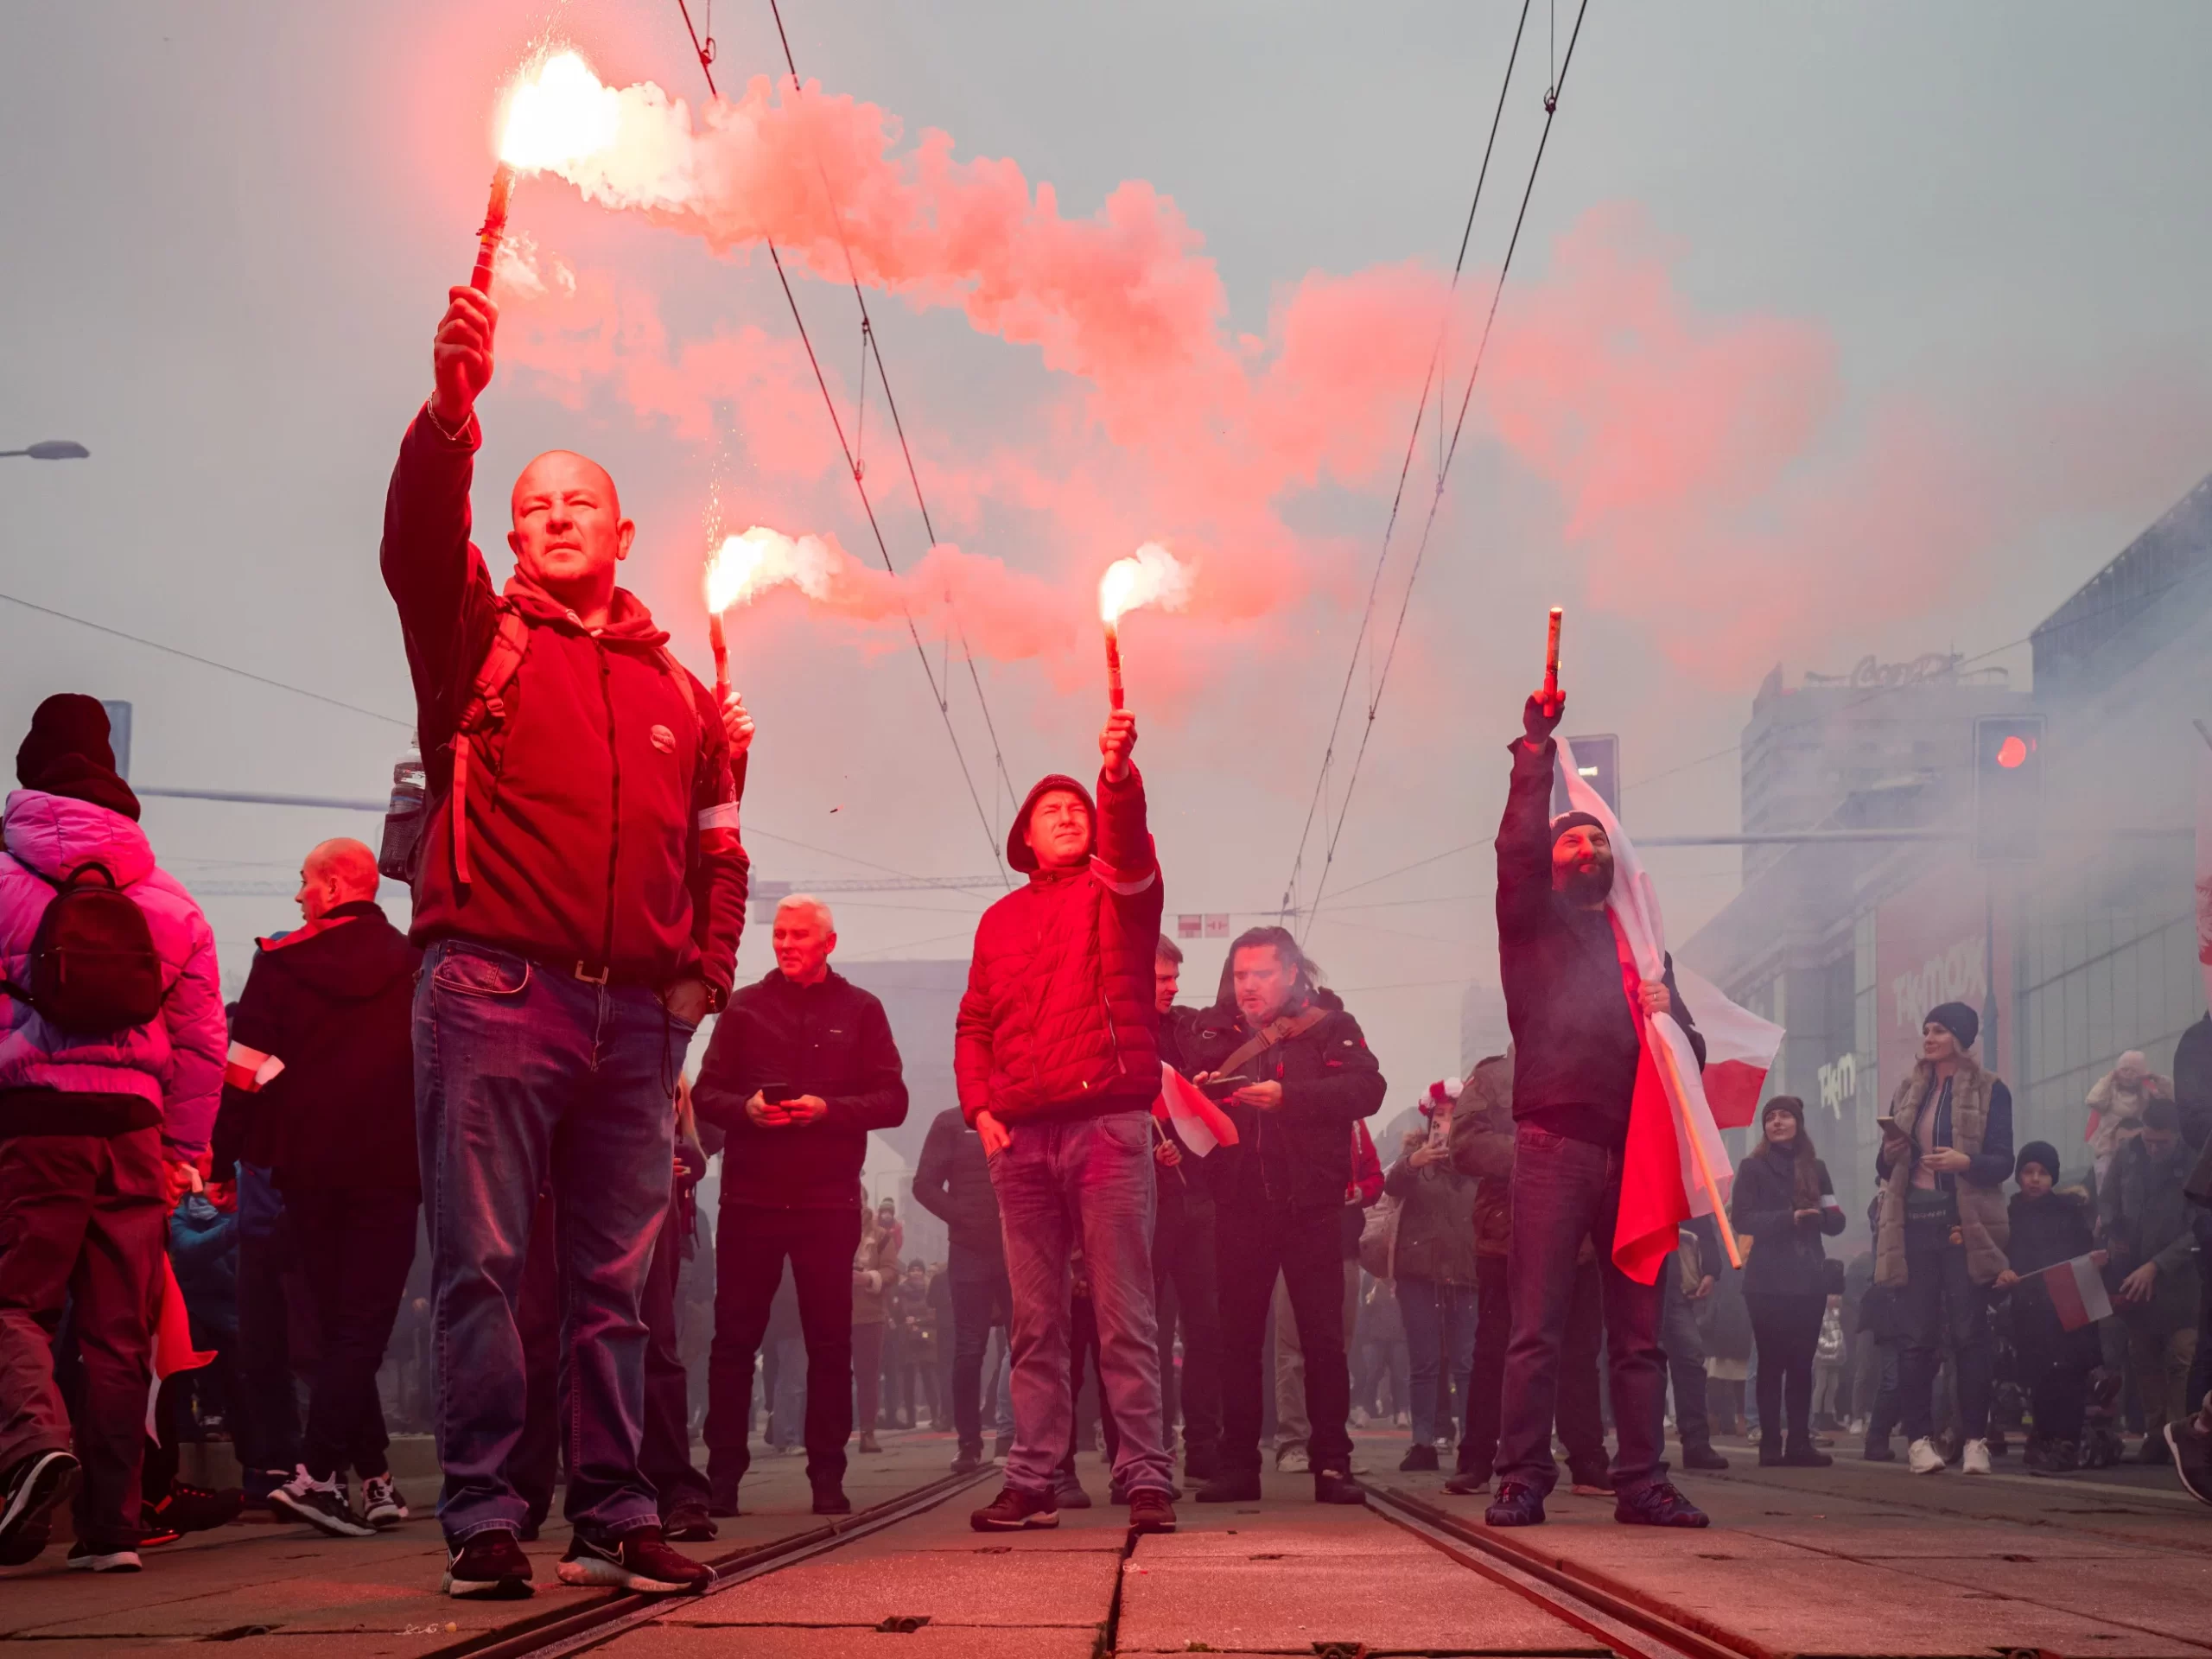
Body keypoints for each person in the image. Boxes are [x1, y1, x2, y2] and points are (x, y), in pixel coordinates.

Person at [383, 284, 748, 1599]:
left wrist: (699, 981)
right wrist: (448, 423)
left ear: (622, 528)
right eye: (532, 502)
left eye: (575, 500)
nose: (551, 516)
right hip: (492, 989)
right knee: (481, 1264)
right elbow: (422, 553)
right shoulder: (478, 637)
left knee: (617, 1282)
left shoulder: (679, 691)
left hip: (636, 1019)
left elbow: (719, 846)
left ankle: (613, 1507)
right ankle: (486, 1513)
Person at [0, 695, 224, 1570]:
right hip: (133, 1128)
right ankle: (113, 1529)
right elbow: (204, 1040)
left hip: (35, 1123)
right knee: (119, 1332)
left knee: (14, 1302)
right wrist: (183, 1150)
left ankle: (32, 1442)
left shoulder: (7, 878)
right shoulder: (169, 899)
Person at [1484, 687, 1710, 1529]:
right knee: (1536, 1327)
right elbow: (1513, 849)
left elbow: (1688, 1057)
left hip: (1639, 1148)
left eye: (1593, 839)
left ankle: (1642, 1482)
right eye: (1568, 839)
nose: (1582, 847)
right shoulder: (1532, 929)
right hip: (1553, 1143)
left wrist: (1668, 1011)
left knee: (1640, 1332)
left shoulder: (1646, 948)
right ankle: (1519, 1478)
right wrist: (1534, 753)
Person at [955, 711, 1178, 1535]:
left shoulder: (1120, 895)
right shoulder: (997, 921)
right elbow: (973, 1022)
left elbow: (1129, 848)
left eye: (1077, 808)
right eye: (1050, 810)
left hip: (1106, 1129)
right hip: (1022, 1137)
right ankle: (1034, 1478)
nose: (1066, 815)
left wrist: (1116, 775)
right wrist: (980, 1108)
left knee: (1126, 1316)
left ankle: (1145, 1476)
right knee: (1035, 1323)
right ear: (1024, 835)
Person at [213, 837, 422, 1539]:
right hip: (394, 1168)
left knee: (337, 1328)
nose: (298, 894)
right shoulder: (415, 964)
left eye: (305, 882)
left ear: (334, 888)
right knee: (363, 1327)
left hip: (306, 1168)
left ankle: (340, 1476)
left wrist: (221, 1159)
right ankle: (353, 1478)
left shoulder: (281, 961)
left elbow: (244, 1070)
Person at [692, 893, 907, 1516]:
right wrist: (747, 1110)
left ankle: (827, 1478)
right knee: (735, 1340)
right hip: (751, 1198)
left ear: (828, 943)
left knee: (828, 1341)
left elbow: (893, 1099)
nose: (786, 943)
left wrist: (828, 1110)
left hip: (826, 1200)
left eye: (799, 935)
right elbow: (708, 1093)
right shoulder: (744, 1009)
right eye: (781, 934)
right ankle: (724, 1478)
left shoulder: (861, 1011)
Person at [1186, 928, 1385, 1506]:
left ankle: (1332, 1464)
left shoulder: (1331, 1026)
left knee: (1323, 1341)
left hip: (1311, 1206)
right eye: (1241, 974)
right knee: (1237, 1342)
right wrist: (1201, 1090)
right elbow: (1181, 1088)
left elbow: (1368, 1087)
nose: (1247, 986)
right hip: (1239, 1202)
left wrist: (1289, 1096)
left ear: (1293, 973)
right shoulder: (1214, 1030)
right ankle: (1237, 1466)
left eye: (1261, 974)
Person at [1874, 1001, 2013, 1478]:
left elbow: (2003, 1162)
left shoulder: (1992, 1089)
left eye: (1939, 1030)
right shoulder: (1908, 1089)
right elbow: (1883, 1166)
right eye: (1926, 1029)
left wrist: (1964, 1163)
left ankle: (1976, 1441)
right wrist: (1891, 1151)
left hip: (1963, 1226)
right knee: (1915, 1339)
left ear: (1961, 1037)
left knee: (1971, 1334)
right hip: (1913, 1223)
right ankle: (1918, 1441)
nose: (1929, 1037)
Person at [1730, 1097, 1847, 1466]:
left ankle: (1799, 1443)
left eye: (1784, 1116)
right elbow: (1743, 1219)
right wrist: (1788, 1218)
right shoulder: (1752, 1168)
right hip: (1766, 1281)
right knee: (1770, 1363)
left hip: (1808, 1279)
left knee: (1801, 1364)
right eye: (1770, 1117)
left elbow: (1837, 1219)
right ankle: (1769, 1446)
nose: (1777, 1122)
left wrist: (1819, 1220)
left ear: (1798, 1122)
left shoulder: (1817, 1168)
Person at [1147, 936, 1224, 1483]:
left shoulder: (1191, 1027)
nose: (1172, 987)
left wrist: (1206, 1087)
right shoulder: (1110, 1033)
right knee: (1145, 1332)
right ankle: (1147, 1447)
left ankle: (1202, 1445)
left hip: (1197, 1197)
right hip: (1143, 1207)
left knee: (1205, 1329)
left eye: (1174, 977)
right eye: (1160, 979)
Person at [1383, 1084, 1479, 1472]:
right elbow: (1389, 1186)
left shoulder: (1478, 1158)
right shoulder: (1413, 1159)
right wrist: (1414, 1162)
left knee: (1467, 1362)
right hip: (1418, 1272)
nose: (1445, 1122)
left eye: (1452, 1115)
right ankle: (1422, 1442)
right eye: (1439, 1115)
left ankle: (1473, 1442)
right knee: (1423, 1362)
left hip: (1467, 1273)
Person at [2099, 1098, 2202, 1461]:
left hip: (2182, 1279)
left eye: (2162, 1142)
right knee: (2143, 1357)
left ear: (2176, 1135)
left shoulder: (2196, 1160)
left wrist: (2158, 1265)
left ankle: (2181, 1434)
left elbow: (2201, 1229)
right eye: (2149, 1141)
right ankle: (2155, 1434)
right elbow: (2107, 1200)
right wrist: (2114, 1232)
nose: (2154, 1148)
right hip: (2134, 1274)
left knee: (2179, 1358)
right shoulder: (2128, 1155)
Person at [912, 1100, 1008, 1474]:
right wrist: (963, 1217)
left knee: (1026, 1347)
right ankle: (969, 1442)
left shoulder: (1022, 1112)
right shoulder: (951, 1122)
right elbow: (924, 1184)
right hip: (971, 1250)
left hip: (1017, 1245)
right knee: (970, 1348)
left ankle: (1022, 1437)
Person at [1994, 1141, 2102, 1473]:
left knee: (2067, 1374)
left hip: (2068, 1304)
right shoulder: (2007, 1214)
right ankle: (2043, 1437)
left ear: (2052, 1177)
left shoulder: (2069, 1212)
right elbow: (2000, 1255)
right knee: (2039, 1376)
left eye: (2042, 1173)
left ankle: (2065, 1443)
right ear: (2019, 1176)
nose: (2035, 1179)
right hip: (2029, 1309)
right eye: (2029, 1172)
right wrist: (2005, 1272)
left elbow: (2086, 1253)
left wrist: (2098, 1258)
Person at [2086, 1051, 2173, 1181]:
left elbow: (2170, 1098)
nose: (2127, 1074)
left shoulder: (2145, 1092)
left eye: (2133, 1071)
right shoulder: (2109, 1090)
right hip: (2108, 1152)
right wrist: (2110, 1077)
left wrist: (2154, 1077)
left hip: (2138, 1152)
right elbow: (2093, 1101)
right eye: (2124, 1069)